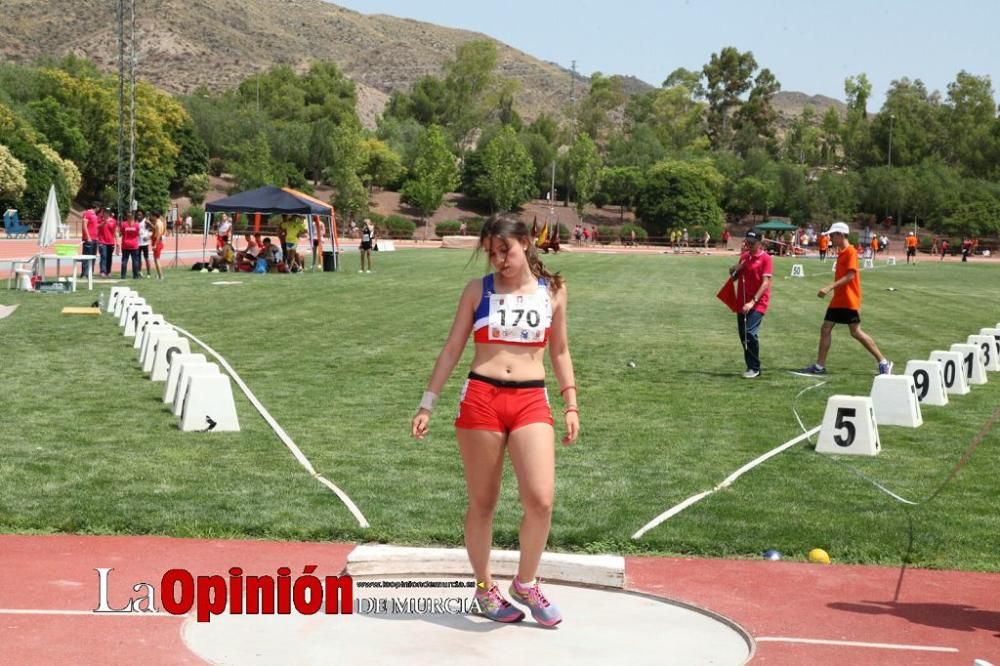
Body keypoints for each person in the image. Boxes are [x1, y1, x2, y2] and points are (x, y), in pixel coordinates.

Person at [410, 215, 578, 627]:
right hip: (481, 400)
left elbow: (560, 351)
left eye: (506, 250)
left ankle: (525, 582)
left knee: (540, 499)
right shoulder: (476, 291)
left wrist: (571, 403)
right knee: (483, 502)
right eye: (491, 253)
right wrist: (427, 403)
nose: (499, 260)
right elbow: (452, 348)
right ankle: (485, 589)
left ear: (525, 243)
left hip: (531, 400)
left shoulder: (552, 291)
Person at [795, 222, 892, 376]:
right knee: (825, 328)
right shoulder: (842, 252)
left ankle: (884, 362)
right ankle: (819, 366)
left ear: (840, 235)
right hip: (838, 299)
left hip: (848, 300)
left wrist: (829, 287)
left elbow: (850, 276)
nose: (831, 238)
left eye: (832, 235)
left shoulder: (851, 252)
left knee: (855, 332)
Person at [729, 231, 773, 378]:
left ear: (760, 243)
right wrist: (735, 269)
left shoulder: (765, 259)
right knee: (743, 335)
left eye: (752, 242)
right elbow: (734, 278)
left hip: (758, 302)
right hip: (742, 302)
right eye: (747, 242)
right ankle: (752, 367)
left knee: (749, 333)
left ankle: (754, 368)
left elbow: (766, 282)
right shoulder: (744, 257)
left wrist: (752, 301)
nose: (749, 245)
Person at [118, 213, 142, 279]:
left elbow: (121, 233)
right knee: (135, 261)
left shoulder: (123, 224)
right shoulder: (136, 225)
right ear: (133, 217)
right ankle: (135, 275)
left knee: (124, 261)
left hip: (125, 245)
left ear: (127, 217)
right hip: (134, 245)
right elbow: (138, 234)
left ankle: (123, 275)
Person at [80, 205, 99, 278]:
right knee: (86, 256)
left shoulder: (95, 215)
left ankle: (90, 273)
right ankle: (84, 273)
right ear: (97, 207)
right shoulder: (87, 213)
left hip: (94, 239)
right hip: (89, 239)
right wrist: (88, 237)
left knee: (92, 257)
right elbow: (84, 225)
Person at [151, 212, 166, 280]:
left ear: (155, 216)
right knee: (156, 259)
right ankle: (158, 275)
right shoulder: (160, 222)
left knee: (157, 260)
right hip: (158, 241)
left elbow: (158, 235)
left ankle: (161, 276)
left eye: (152, 216)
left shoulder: (158, 224)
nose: (151, 217)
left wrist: (155, 245)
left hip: (157, 242)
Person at [137, 210, 152, 278]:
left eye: (140, 215)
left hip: (145, 243)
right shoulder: (136, 222)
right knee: (138, 259)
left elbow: (153, 229)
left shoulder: (146, 221)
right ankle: (139, 272)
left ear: (143, 215)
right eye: (138, 215)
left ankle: (148, 273)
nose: (138, 216)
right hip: (138, 243)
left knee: (146, 258)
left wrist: (148, 237)